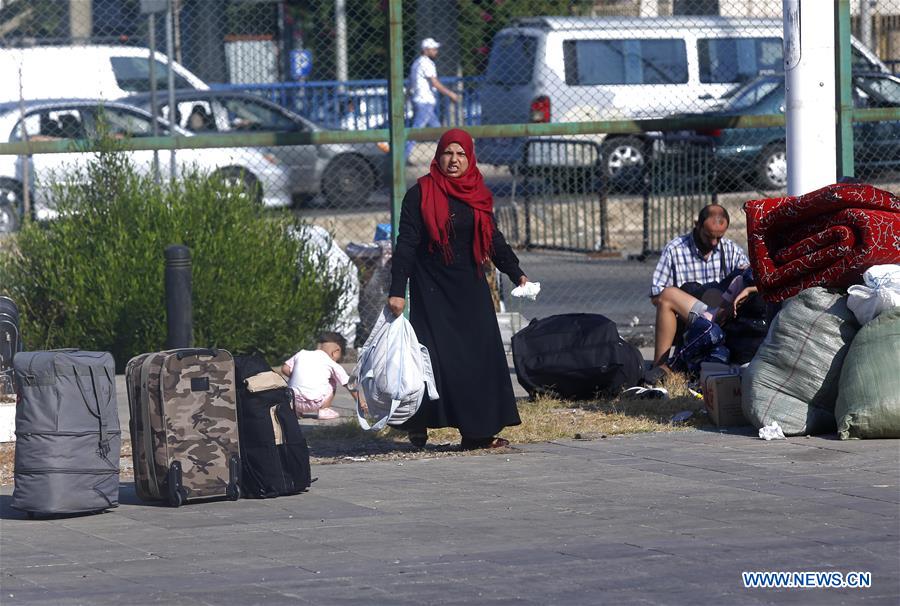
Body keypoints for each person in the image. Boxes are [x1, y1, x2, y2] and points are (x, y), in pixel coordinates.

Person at [388, 128, 529, 450]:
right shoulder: (420, 193)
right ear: (438, 156)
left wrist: (515, 271)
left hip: (470, 284)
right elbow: (406, 244)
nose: (454, 160)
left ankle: (476, 432)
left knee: (480, 355)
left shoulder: (477, 192)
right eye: (448, 153)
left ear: (470, 158)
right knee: (432, 358)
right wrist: (398, 289)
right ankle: (419, 422)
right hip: (432, 288)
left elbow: (491, 237)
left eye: (461, 154)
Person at [649, 204, 750, 372]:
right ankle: (660, 366)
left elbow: (746, 279)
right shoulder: (675, 250)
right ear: (697, 225)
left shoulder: (731, 250)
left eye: (719, 238)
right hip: (689, 314)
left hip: (720, 314)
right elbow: (656, 295)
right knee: (669, 295)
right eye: (708, 236)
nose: (713, 242)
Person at [404, 38, 460, 164]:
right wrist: (450, 93)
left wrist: (407, 97)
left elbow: (410, 83)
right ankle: (401, 157)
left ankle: (450, 155)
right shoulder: (427, 63)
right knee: (416, 131)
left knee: (437, 130)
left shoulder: (416, 63)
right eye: (433, 49)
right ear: (425, 50)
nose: (436, 51)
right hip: (425, 101)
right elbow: (434, 83)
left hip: (420, 100)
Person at [281, 331, 351, 420]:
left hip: (294, 402)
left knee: (292, 378)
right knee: (332, 381)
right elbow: (348, 383)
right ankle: (324, 410)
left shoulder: (301, 353)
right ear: (336, 352)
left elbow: (285, 369)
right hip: (315, 403)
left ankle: (295, 411)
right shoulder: (331, 362)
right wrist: (361, 402)